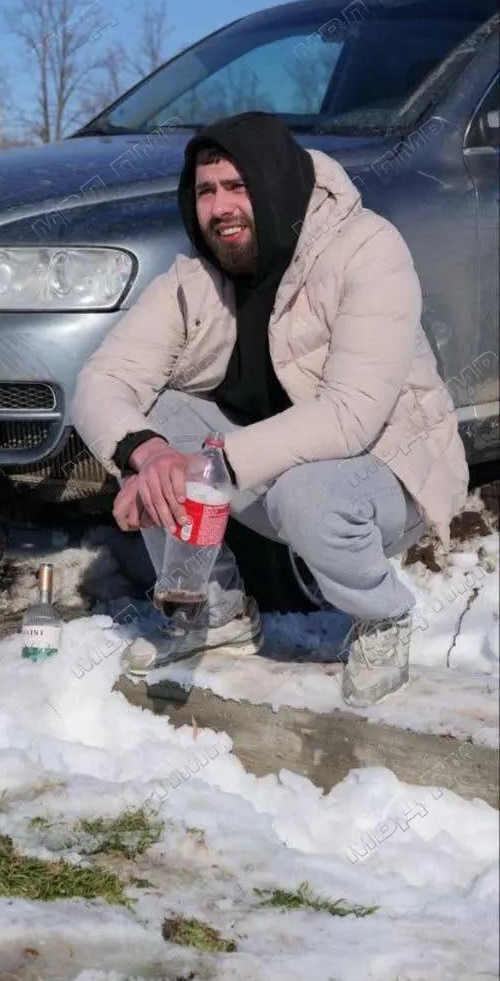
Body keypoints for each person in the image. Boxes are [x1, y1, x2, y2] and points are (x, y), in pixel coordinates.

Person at [71, 111, 468, 705]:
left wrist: (207, 466)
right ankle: (213, 612)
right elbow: (102, 381)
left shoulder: (368, 249)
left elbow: (350, 414)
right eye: (206, 191)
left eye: (238, 186)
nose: (220, 207)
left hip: (387, 471)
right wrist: (146, 454)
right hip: (262, 468)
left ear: (277, 183)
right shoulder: (196, 279)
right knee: (161, 421)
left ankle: (383, 616)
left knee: (304, 494)